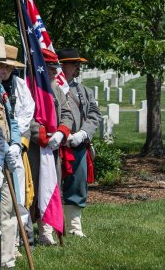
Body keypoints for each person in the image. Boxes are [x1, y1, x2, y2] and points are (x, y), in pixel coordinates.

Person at [0, 36, 36, 256]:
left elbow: (14, 118)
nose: (2, 70)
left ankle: (9, 253)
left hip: (12, 151)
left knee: (11, 206)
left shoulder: (8, 89)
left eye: (6, 66)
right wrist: (4, 147)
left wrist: (15, 144)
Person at [27, 48, 73, 246]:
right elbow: (25, 117)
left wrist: (62, 132)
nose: (55, 73)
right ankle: (27, 231)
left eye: (56, 68)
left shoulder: (56, 89)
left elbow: (67, 114)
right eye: (51, 69)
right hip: (32, 148)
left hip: (52, 149)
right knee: (31, 189)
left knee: (50, 187)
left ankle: (46, 231)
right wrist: (42, 136)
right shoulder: (27, 86)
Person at [57, 48, 101, 237]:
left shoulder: (84, 91)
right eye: (74, 63)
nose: (78, 67)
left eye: (78, 64)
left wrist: (83, 134)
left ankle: (74, 227)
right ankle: (49, 227)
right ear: (62, 65)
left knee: (77, 185)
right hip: (55, 144)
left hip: (78, 145)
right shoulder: (51, 88)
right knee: (51, 185)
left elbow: (94, 115)